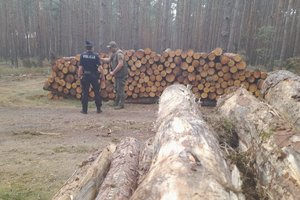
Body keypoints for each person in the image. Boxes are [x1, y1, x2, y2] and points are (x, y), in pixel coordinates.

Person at [78, 41, 104, 114]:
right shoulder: (96, 55)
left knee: (85, 92)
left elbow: (80, 67)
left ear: (86, 48)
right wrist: (103, 76)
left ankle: (84, 110)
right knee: (96, 92)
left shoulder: (82, 55)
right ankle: (98, 109)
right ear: (92, 48)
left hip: (85, 75)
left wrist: (79, 75)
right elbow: (101, 68)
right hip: (94, 76)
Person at [101, 41, 128, 110]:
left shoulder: (119, 54)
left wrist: (113, 72)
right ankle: (116, 102)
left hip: (121, 74)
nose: (109, 49)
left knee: (120, 89)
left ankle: (121, 104)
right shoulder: (113, 53)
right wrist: (101, 59)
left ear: (114, 47)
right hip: (117, 75)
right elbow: (109, 60)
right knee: (116, 88)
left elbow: (120, 64)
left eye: (110, 48)